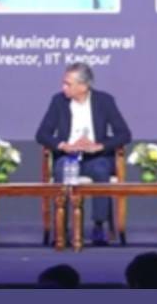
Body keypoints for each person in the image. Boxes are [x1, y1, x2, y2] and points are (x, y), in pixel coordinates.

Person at [35, 63, 132, 246]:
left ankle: (99, 226)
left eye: (68, 84)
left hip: (96, 157)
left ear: (83, 86)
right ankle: (61, 228)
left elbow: (124, 134)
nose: (63, 87)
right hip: (68, 157)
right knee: (62, 169)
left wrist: (99, 146)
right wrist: (64, 145)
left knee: (101, 169)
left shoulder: (104, 101)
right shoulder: (58, 101)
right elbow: (42, 134)